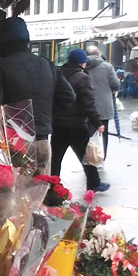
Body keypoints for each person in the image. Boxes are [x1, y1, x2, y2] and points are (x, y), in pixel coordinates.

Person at [0, 16, 75, 175]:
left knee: (16, 197)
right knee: (42, 195)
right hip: (43, 142)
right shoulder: (46, 64)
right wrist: (46, 114)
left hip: (15, 144)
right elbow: (68, 96)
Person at [51, 49, 108, 192]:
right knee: (87, 156)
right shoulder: (82, 77)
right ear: (82, 63)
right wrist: (98, 123)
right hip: (76, 124)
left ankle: (52, 186)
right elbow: (88, 103)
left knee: (55, 159)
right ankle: (94, 183)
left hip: (57, 124)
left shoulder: (58, 74)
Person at [85, 46, 120, 157]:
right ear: (98, 54)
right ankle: (101, 156)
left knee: (88, 131)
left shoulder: (83, 67)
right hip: (104, 105)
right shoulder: (108, 67)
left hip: (87, 104)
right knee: (103, 131)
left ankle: (89, 156)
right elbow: (116, 84)